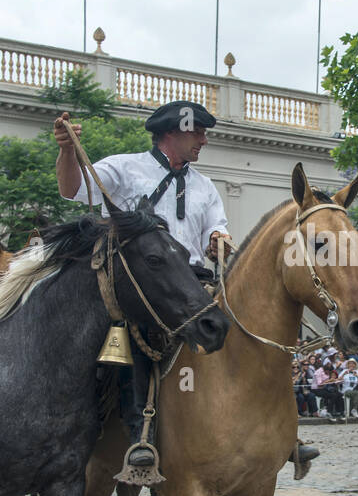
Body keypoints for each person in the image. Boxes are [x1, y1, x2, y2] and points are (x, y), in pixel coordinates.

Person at [54, 100, 234, 467]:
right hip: (136, 286)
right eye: (196, 132)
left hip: (190, 282)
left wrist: (218, 239)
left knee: (238, 324)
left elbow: (218, 226)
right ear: (171, 132)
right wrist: (68, 151)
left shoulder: (205, 186)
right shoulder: (124, 167)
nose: (203, 139)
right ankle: (138, 436)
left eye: (204, 133)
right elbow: (72, 188)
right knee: (129, 339)